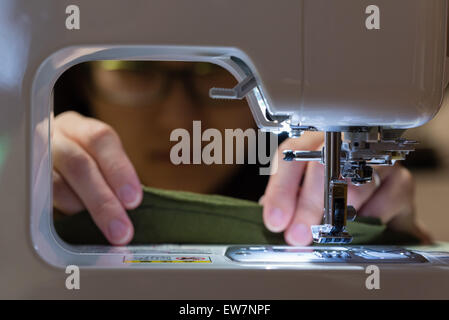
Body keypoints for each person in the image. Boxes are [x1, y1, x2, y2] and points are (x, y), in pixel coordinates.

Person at [53, 61, 431, 246]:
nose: (180, 120)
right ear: (82, 79)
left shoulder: (318, 191)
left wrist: (398, 237)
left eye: (212, 71)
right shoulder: (28, 196)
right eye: (135, 70)